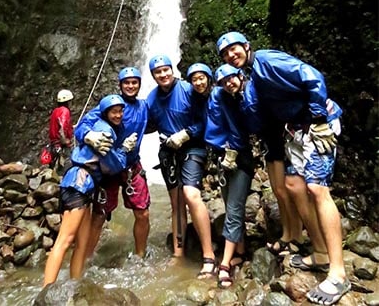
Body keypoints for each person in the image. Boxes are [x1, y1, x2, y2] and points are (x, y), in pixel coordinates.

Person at [216, 31, 350, 305]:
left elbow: (310, 75)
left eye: (234, 49)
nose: (231, 55)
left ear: (246, 46)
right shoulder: (252, 77)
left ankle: (338, 273)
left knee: (316, 188)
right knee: (293, 186)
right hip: (296, 132)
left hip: (316, 125)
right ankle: (321, 251)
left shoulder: (266, 60)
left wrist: (320, 118)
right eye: (225, 53)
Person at [43, 94, 134, 286]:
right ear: (106, 113)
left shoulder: (100, 126)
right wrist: (124, 151)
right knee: (65, 240)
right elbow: (113, 166)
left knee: (82, 244)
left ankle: (74, 285)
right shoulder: (105, 131)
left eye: (120, 111)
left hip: (86, 187)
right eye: (113, 111)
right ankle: (45, 292)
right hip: (78, 184)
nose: (118, 115)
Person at [147, 54, 216, 278]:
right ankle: (178, 254)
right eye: (158, 72)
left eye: (166, 70)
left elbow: (205, 117)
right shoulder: (152, 98)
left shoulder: (188, 89)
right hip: (168, 150)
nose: (163, 74)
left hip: (192, 147)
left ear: (172, 70)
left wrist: (187, 134)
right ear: (153, 76)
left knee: (190, 194)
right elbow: (144, 122)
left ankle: (209, 256)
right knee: (176, 202)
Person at [75, 67, 150, 259]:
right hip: (108, 167)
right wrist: (89, 135)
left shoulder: (144, 107)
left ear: (140, 85)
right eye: (127, 83)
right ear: (120, 85)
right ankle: (86, 259)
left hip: (132, 165)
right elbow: (82, 125)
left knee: (142, 213)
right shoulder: (109, 105)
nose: (131, 86)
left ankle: (140, 256)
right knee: (99, 215)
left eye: (134, 82)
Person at [206, 64, 254, 288]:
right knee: (230, 205)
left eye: (231, 79)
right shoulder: (220, 96)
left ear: (240, 76)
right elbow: (215, 124)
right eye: (224, 81)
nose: (229, 84)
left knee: (234, 209)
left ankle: (224, 264)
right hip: (222, 155)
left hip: (241, 158)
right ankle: (241, 250)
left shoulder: (248, 96)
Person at [48, 89, 74, 171]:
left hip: (54, 145)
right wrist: (65, 141)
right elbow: (61, 126)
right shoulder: (65, 111)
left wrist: (72, 127)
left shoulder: (55, 111)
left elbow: (56, 126)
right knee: (67, 167)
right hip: (61, 145)